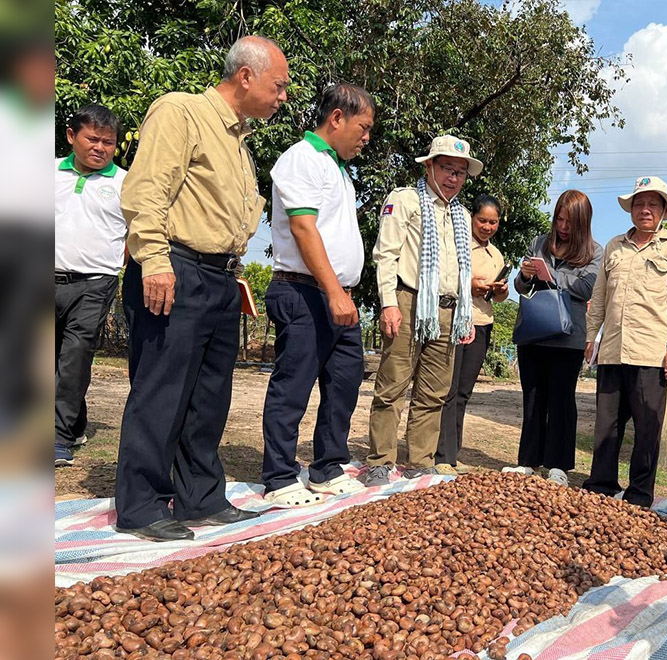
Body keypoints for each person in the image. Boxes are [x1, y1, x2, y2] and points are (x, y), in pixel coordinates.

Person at [114, 36, 290, 541]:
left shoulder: (239, 143)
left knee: (209, 396)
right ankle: (143, 504)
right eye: (278, 86)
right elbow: (147, 190)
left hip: (219, 277)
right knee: (161, 391)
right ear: (246, 76)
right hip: (176, 266)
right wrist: (153, 260)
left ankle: (200, 497)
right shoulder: (181, 112)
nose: (282, 98)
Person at [260, 84, 375, 507]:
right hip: (306, 291)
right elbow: (304, 229)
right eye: (363, 128)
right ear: (337, 118)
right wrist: (333, 291)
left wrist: (343, 292)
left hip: (337, 295)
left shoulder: (338, 168)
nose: (366, 138)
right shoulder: (301, 160)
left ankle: (327, 466)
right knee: (293, 386)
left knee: (343, 383)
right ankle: (279, 475)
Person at [366, 135, 482, 487]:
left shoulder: (462, 215)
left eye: (461, 172)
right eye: (448, 168)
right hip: (409, 300)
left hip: (448, 310)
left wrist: (466, 313)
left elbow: (462, 269)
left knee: (434, 391)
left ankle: (420, 460)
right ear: (429, 165)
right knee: (393, 385)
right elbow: (386, 254)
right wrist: (388, 302)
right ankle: (380, 460)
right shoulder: (406, 200)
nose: (454, 178)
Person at [582, 177, 667, 508]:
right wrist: (592, 337)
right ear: (631, 209)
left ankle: (639, 492)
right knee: (606, 424)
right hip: (613, 350)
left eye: (653, 204)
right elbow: (599, 295)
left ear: (663, 211)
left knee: (647, 427)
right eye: (639, 204)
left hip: (651, 352)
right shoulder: (614, 246)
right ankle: (601, 484)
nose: (645, 210)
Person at [506, 190, 603, 486]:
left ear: (582, 223)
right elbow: (521, 288)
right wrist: (524, 275)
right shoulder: (539, 243)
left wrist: (551, 275)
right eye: (559, 219)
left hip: (569, 336)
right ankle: (528, 461)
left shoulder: (595, 252)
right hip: (534, 333)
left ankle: (558, 465)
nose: (562, 226)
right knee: (533, 397)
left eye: (569, 222)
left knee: (561, 399)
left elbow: (587, 288)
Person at [55, 105, 127, 467]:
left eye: (108, 142)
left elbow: (138, 232)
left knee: (75, 356)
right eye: (92, 139)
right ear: (72, 136)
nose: (100, 147)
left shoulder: (125, 183)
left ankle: (57, 437)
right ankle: (75, 421)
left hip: (96, 283)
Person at [436, 194, 509, 474]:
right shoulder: (457, 246)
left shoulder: (496, 254)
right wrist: (469, 285)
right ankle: (439, 453)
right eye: (482, 220)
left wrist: (500, 291)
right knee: (447, 389)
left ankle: (453, 453)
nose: (487, 227)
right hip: (455, 321)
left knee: (464, 391)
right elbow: (444, 276)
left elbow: (498, 298)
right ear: (472, 218)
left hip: (481, 323)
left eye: (493, 222)